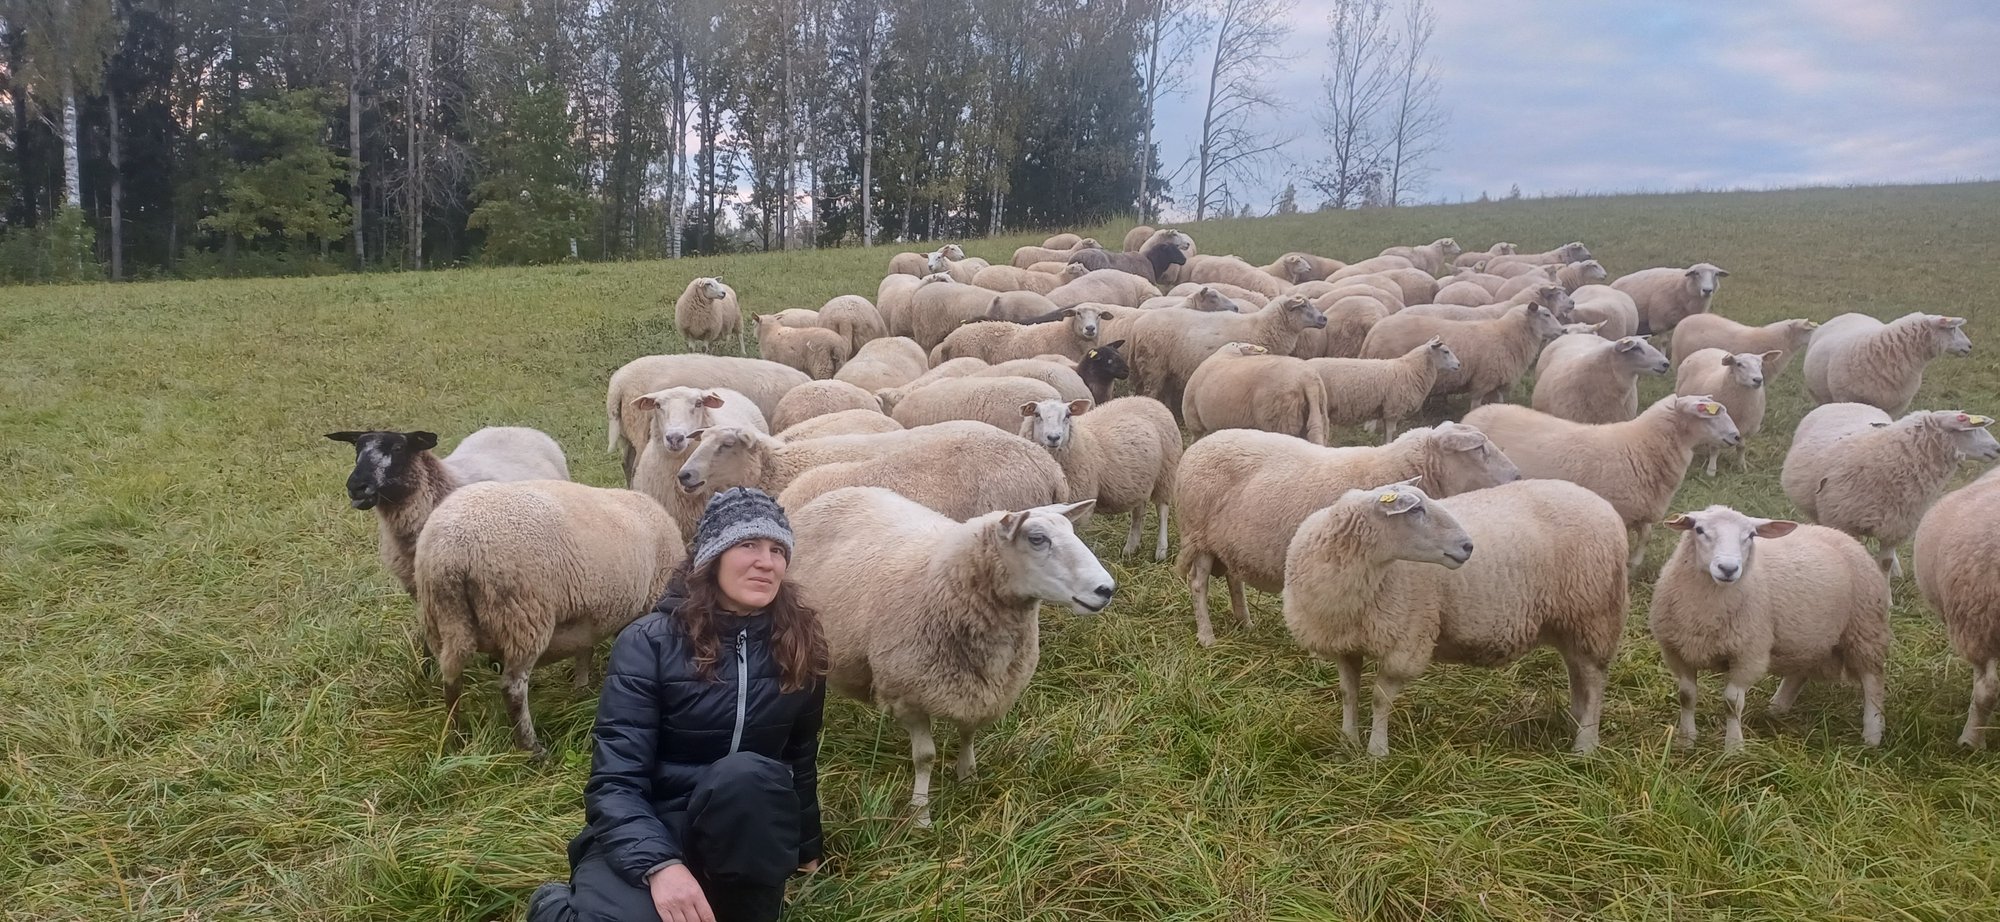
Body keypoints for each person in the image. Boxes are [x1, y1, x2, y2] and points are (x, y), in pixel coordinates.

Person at [529, 487, 826, 922]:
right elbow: (615, 782)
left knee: (749, 773)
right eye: (748, 544)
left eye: (778, 549)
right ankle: (552, 906)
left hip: (744, 832)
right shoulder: (648, 642)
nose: (767, 561)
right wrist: (661, 866)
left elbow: (799, 757)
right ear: (713, 556)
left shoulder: (799, 643)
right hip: (652, 822)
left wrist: (807, 850)